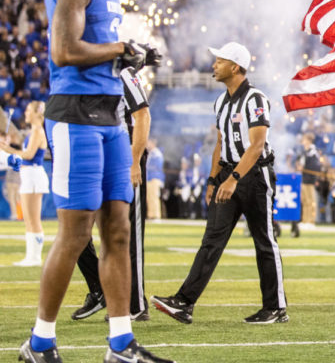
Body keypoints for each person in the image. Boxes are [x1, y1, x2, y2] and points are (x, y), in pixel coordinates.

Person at [20, 0, 173, 363]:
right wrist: (121, 50)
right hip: (75, 112)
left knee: (119, 231)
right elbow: (65, 49)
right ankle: (39, 343)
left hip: (109, 112)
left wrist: (131, 54)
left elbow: (105, 44)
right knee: (75, 233)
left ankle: (121, 344)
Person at [152, 41, 287, 324]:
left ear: (235, 67)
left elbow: (257, 144)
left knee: (264, 241)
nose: (214, 65)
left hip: (254, 176)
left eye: (220, 61)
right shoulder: (221, 101)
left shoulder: (255, 99)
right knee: (211, 240)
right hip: (228, 174)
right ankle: (184, 302)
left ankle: (275, 308)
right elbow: (220, 143)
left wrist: (234, 178)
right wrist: (214, 179)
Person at [71, 65, 156, 322]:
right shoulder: (82, 72)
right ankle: (99, 289)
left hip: (124, 154)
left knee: (127, 234)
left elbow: (142, 115)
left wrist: (133, 161)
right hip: (97, 156)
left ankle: (135, 305)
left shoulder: (122, 71)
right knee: (76, 228)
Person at [0, 101, 49, 267]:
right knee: (28, 218)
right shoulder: (33, 131)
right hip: (29, 175)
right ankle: (31, 256)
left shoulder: (37, 130)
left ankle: (34, 258)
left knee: (33, 219)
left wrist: (9, 150)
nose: (26, 113)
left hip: (34, 175)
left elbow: (28, 155)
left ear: (37, 113)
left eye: (28, 110)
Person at [145, 138, 164, 220]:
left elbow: (157, 167)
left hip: (154, 178)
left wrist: (148, 168)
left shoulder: (157, 154)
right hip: (149, 178)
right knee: (149, 197)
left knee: (154, 196)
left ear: (153, 143)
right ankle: (151, 214)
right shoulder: (151, 153)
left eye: (149, 143)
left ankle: (156, 215)